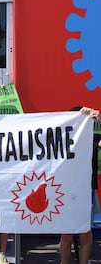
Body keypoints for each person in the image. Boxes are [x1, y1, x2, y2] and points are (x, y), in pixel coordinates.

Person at [59, 106, 100, 264]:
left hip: (86, 191)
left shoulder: (94, 138)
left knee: (85, 232)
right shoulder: (61, 141)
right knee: (66, 233)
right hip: (66, 191)